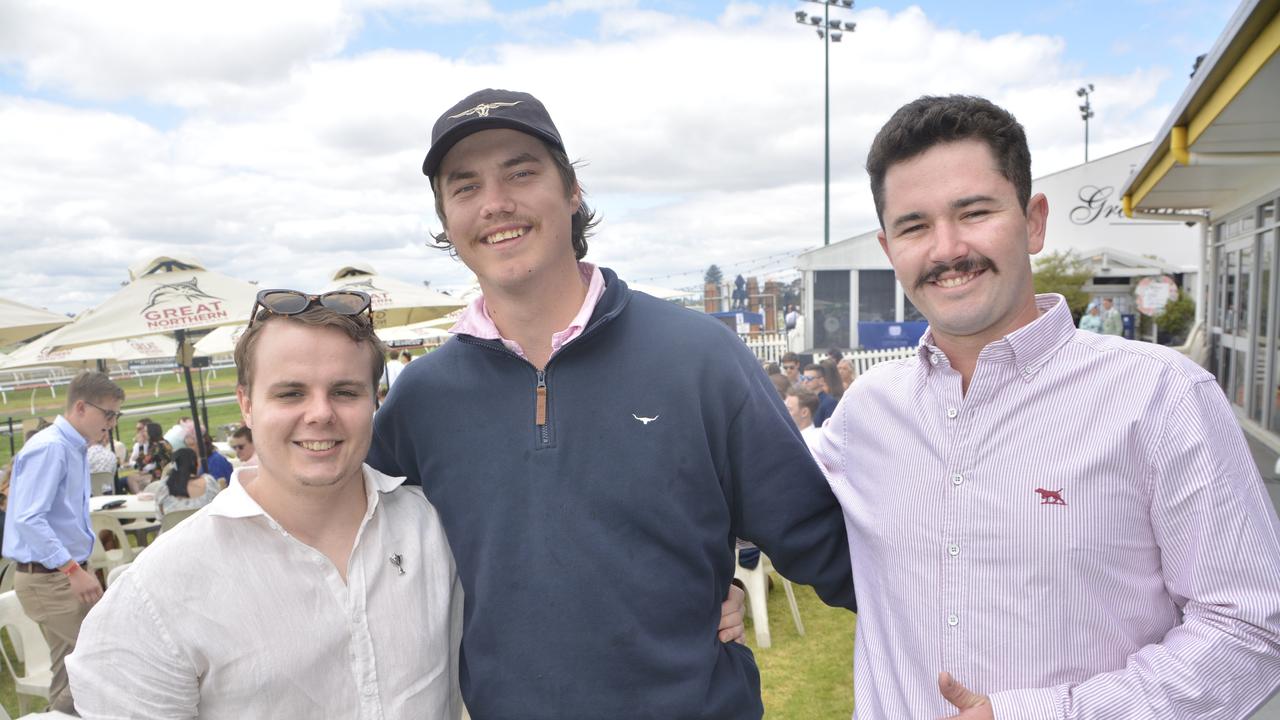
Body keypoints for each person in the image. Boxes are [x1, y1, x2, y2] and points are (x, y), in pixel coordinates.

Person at [369, 88, 853, 719]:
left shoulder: (699, 356)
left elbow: (823, 545)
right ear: (445, 220)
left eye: (521, 172)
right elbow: (354, 551)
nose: (495, 203)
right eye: (465, 187)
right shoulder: (422, 397)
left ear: (572, 193)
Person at [816, 93, 1280, 718]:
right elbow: (734, 489)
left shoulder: (1162, 397)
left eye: (974, 212)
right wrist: (720, 588)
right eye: (915, 225)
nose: (947, 249)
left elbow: (1252, 631)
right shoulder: (866, 413)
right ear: (888, 246)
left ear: (1033, 221)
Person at [68, 293, 465, 718]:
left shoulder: (436, 532)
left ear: (375, 401)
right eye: (291, 393)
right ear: (246, 405)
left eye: (345, 391)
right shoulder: (159, 589)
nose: (320, 413)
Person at [3, 370, 123, 713]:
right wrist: (72, 568)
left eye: (116, 415)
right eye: (109, 414)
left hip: (58, 574)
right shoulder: (51, 448)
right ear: (82, 408)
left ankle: (54, 714)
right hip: (50, 578)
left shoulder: (71, 448)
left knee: (71, 671)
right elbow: (29, 519)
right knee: (96, 664)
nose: (112, 424)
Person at [144, 447, 220, 517]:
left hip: (173, 530)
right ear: (196, 465)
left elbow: (160, 516)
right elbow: (218, 508)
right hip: (204, 530)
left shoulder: (164, 486)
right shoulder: (209, 482)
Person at [784, 386, 823, 454]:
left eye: (789, 409)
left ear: (804, 412)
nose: (784, 413)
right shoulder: (788, 436)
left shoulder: (815, 442)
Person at [802, 362, 838, 427]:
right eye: (803, 378)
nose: (805, 381)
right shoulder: (803, 401)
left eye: (809, 378)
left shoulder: (829, 402)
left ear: (821, 380)